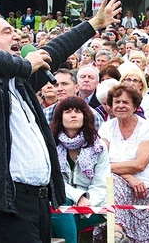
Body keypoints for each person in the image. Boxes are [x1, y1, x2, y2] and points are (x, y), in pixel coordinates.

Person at [0, 0, 122, 242]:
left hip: (38, 200)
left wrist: (93, 24)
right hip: (6, 202)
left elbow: (53, 52)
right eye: (6, 31)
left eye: (14, 31)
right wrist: (24, 64)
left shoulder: (19, 83)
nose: (16, 36)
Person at [98, 84, 149, 242]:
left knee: (111, 185)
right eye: (116, 102)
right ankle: (118, 232)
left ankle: (116, 231)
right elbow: (100, 161)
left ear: (135, 106)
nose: (120, 106)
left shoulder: (147, 129)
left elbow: (139, 165)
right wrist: (128, 176)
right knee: (112, 184)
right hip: (121, 182)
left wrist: (123, 173)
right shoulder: (106, 128)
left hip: (145, 185)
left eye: (125, 102)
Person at [51, 96, 110, 243]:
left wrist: (87, 201)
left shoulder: (98, 146)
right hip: (64, 201)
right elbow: (55, 182)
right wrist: (79, 197)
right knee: (61, 205)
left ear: (85, 116)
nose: (73, 115)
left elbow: (101, 184)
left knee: (54, 223)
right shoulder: (51, 145)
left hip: (94, 205)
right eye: (67, 111)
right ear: (60, 117)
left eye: (78, 111)